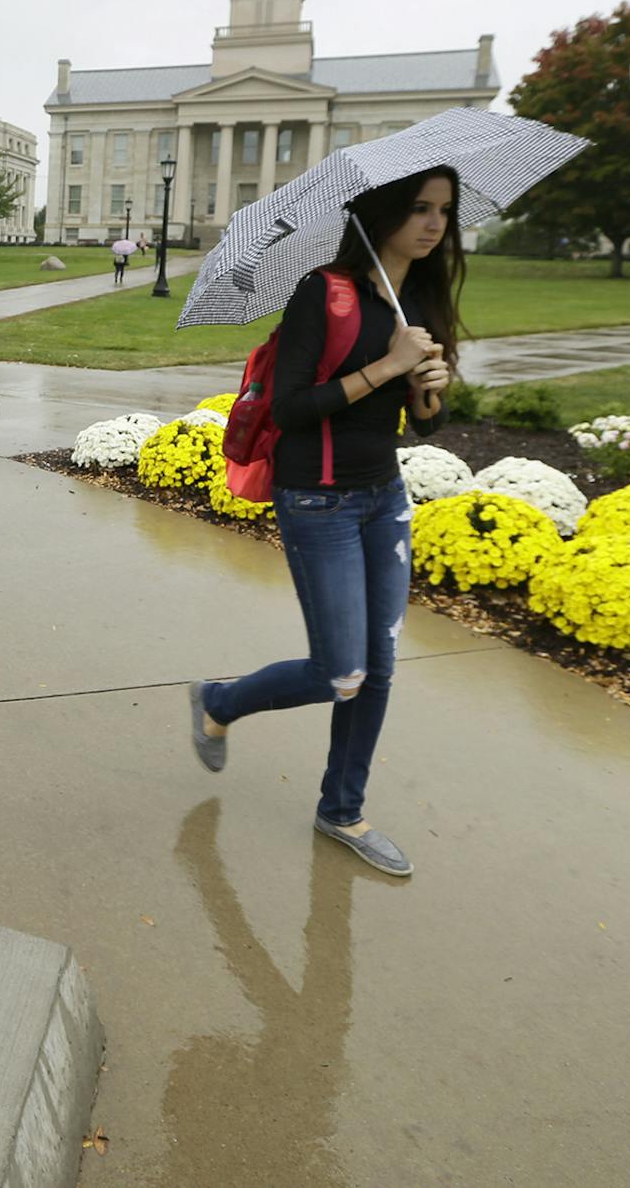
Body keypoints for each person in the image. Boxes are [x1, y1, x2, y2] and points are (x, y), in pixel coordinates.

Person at [186, 168, 458, 877]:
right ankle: (220, 699)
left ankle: (343, 808)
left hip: (383, 496)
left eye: (443, 212)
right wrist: (389, 365)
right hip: (319, 500)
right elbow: (291, 409)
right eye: (420, 208)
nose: (433, 223)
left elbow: (422, 428)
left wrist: (428, 393)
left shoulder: (418, 299)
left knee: (379, 670)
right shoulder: (323, 292)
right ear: (385, 212)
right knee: (342, 670)